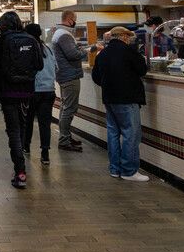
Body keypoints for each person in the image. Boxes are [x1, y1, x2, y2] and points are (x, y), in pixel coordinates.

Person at [0, 11, 41, 189]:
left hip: (8, 91)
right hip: (27, 92)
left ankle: (20, 171)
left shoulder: (3, 40)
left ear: (3, 25)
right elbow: (39, 64)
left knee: (13, 131)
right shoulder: (31, 39)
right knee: (24, 127)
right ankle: (22, 163)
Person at [91, 27, 149, 182]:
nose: (130, 40)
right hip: (127, 98)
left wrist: (108, 85)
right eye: (128, 37)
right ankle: (129, 171)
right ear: (123, 36)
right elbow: (142, 70)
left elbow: (96, 76)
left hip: (109, 99)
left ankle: (115, 169)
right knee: (131, 134)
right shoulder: (129, 52)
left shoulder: (103, 53)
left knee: (113, 133)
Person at [22, 23, 56, 167]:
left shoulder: (27, 49)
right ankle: (45, 154)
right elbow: (56, 67)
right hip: (49, 91)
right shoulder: (48, 49)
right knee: (45, 123)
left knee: (28, 120)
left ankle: (26, 146)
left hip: (32, 91)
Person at [51, 10, 86, 153]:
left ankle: (66, 137)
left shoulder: (59, 33)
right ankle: (64, 140)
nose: (75, 21)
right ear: (70, 19)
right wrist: (87, 50)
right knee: (69, 109)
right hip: (69, 75)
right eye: (75, 19)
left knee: (65, 108)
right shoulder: (64, 34)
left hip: (64, 74)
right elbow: (73, 55)